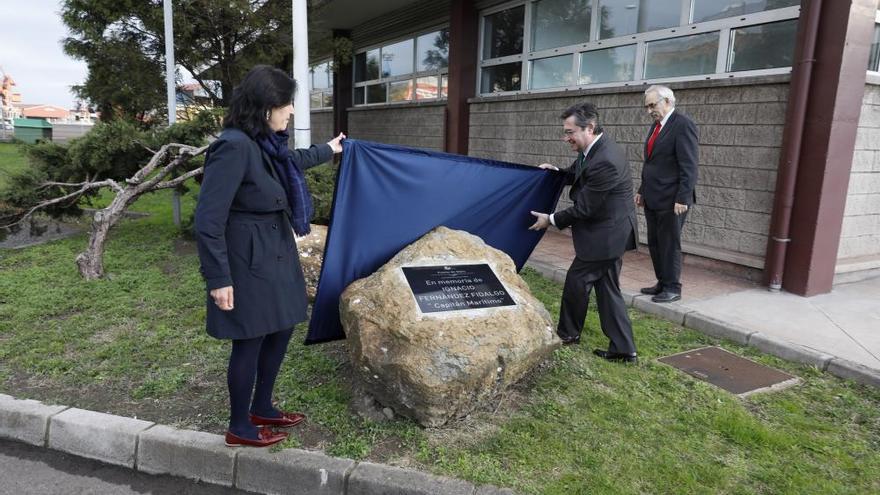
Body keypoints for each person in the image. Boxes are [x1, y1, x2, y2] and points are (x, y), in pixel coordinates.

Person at [194, 65, 345, 447]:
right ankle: (239, 426)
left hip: (274, 250)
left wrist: (330, 150)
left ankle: (262, 406)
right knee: (250, 339)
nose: (291, 111)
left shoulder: (265, 144)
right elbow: (209, 219)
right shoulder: (233, 146)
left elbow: (290, 163)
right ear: (265, 108)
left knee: (281, 329)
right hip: (248, 260)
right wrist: (218, 278)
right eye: (286, 104)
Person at [529, 102, 638, 363]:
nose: (566, 138)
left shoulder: (606, 161)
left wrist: (551, 219)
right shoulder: (594, 149)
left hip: (606, 236)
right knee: (607, 288)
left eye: (569, 132)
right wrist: (557, 173)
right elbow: (578, 174)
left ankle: (568, 334)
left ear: (589, 128)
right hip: (610, 233)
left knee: (577, 282)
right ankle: (625, 349)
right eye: (565, 132)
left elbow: (585, 208)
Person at [635, 85, 698, 303]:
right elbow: (653, 163)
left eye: (652, 105)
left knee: (669, 243)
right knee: (655, 242)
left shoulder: (682, 125)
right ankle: (662, 282)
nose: (649, 110)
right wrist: (642, 190)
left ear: (668, 101)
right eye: (647, 106)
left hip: (673, 199)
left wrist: (683, 197)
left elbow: (688, 165)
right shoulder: (657, 126)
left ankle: (673, 288)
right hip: (653, 196)